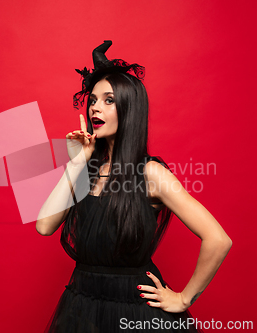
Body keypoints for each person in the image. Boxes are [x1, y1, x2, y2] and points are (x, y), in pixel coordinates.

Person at [36, 40, 232, 333]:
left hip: (135, 313)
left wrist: (183, 298)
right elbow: (44, 226)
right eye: (92, 100)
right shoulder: (87, 168)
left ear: (129, 109)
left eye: (108, 100)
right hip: (82, 306)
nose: (95, 108)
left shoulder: (151, 173)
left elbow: (218, 240)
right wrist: (76, 164)